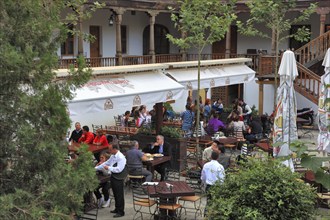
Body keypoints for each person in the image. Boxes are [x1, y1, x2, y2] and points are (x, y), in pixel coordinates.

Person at [95, 144, 127, 218]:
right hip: (113, 176)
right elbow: (106, 163)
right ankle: (117, 208)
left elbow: (119, 169)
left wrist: (109, 168)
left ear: (114, 149)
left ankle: (121, 211)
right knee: (115, 193)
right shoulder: (113, 156)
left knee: (119, 194)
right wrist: (96, 168)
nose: (109, 151)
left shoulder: (121, 157)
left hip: (119, 177)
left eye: (110, 149)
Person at [201, 151, 225, 216]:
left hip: (208, 186)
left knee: (208, 201)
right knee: (217, 202)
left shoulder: (206, 165)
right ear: (218, 157)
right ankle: (214, 216)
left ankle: (206, 215)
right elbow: (222, 179)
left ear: (211, 157)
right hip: (217, 186)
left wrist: (204, 183)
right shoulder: (220, 167)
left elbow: (203, 177)